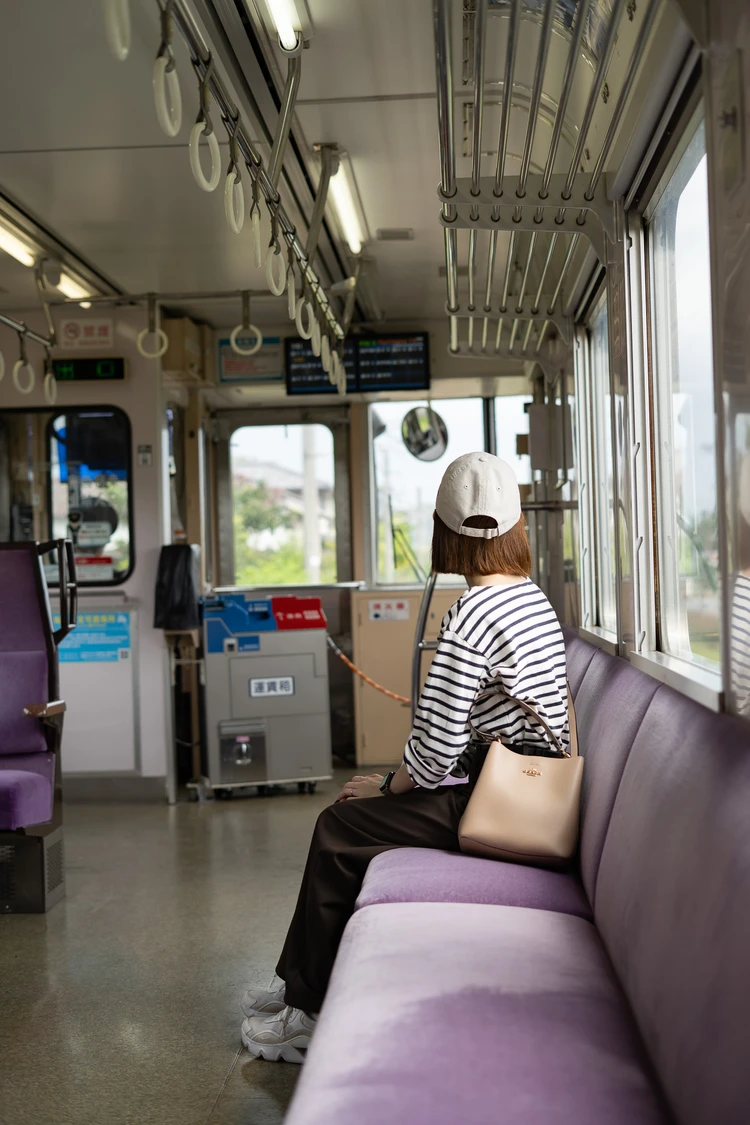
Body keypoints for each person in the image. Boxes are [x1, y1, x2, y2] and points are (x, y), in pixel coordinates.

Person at [240, 452, 569, 1063]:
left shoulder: (470, 615)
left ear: (443, 532)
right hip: (531, 788)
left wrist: (389, 784)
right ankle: (298, 986)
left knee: (339, 824)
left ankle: (307, 1014)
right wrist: (403, 781)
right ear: (516, 526)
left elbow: (436, 753)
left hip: (498, 802)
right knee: (352, 822)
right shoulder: (531, 599)